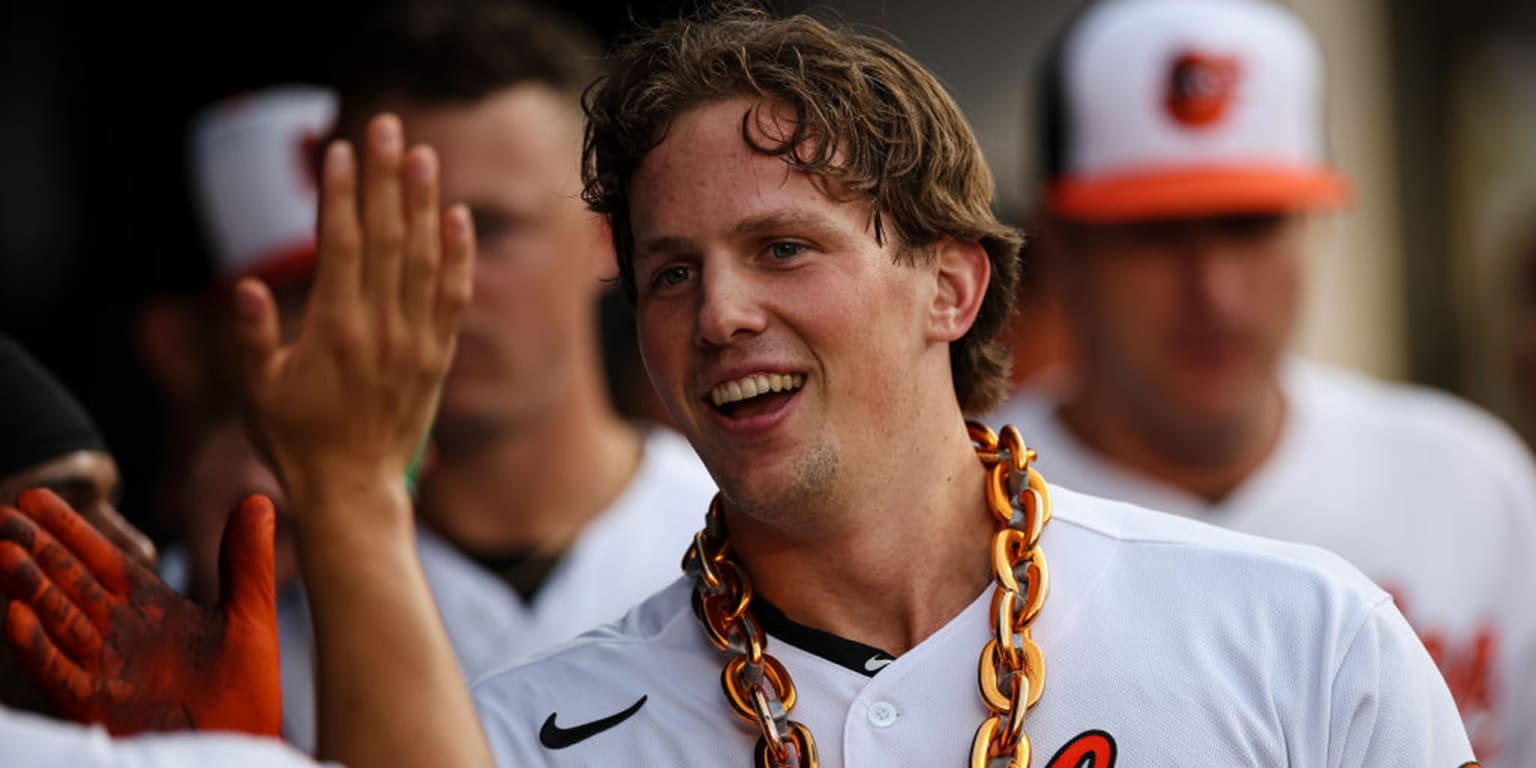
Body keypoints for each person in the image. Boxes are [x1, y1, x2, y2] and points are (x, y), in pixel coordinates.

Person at [3, 6, 1479, 767]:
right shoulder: (519, 736)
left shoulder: (1300, 639)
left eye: (785, 247)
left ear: (951, 287)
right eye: (668, 270)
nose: (720, 312)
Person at [991, 1, 1536, 764]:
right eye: (1154, 233)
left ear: (1312, 225)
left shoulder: (1469, 479)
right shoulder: (968, 511)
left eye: (1251, 225)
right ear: (1062, 250)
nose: (1215, 290)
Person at [260, 1, 712, 746]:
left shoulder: (747, 540)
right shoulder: (241, 587)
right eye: (395, 228)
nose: (445, 279)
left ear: (609, 234)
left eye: (490, 229)